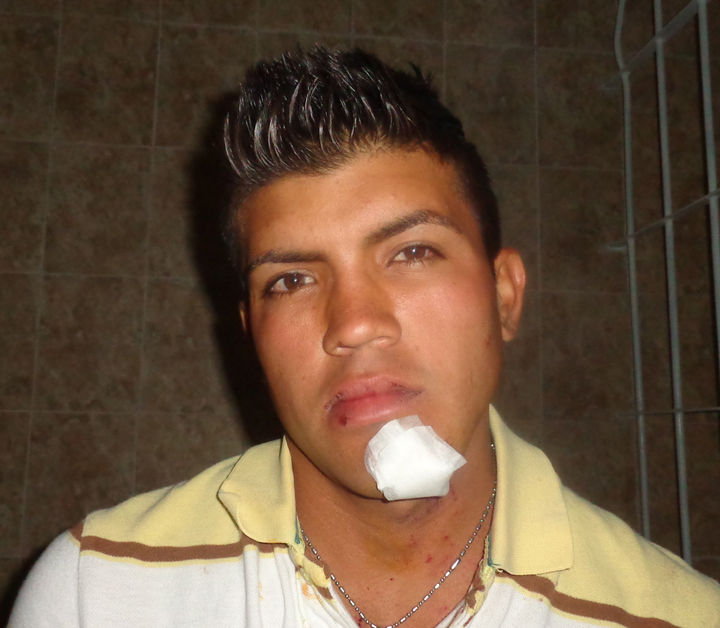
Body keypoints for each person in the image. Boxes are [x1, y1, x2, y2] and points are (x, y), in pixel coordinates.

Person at [10, 47, 720, 628]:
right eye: (291, 280)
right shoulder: (93, 593)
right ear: (252, 336)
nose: (353, 324)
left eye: (412, 252)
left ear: (504, 296)